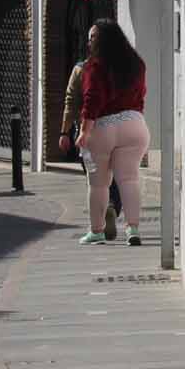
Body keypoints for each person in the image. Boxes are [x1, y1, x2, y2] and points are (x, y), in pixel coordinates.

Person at [74, 20, 148, 247]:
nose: (89, 42)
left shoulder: (94, 66)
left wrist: (85, 131)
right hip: (134, 123)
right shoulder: (136, 63)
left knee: (98, 184)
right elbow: (142, 93)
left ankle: (96, 231)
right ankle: (133, 229)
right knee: (129, 179)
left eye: (93, 37)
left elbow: (92, 99)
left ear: (104, 39)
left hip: (103, 126)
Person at [57, 25, 124, 241]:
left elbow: (70, 101)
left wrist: (64, 132)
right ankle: (112, 206)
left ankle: (99, 223)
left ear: (89, 44)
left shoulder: (80, 70)